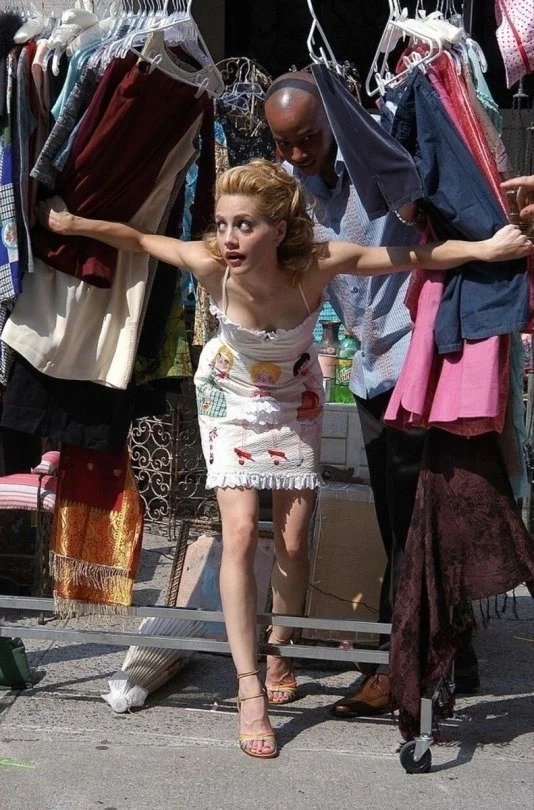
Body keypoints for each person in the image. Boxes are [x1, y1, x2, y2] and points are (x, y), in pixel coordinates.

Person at [37, 159, 531, 759]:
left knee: (295, 542)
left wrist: (486, 247)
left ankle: (280, 650)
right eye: (222, 224)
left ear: (278, 228)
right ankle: (250, 688)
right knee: (242, 534)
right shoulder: (210, 265)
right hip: (229, 397)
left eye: (244, 225)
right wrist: (71, 223)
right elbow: (138, 239)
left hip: (295, 401)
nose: (228, 238)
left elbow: (412, 257)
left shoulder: (317, 264)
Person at [264, 71, 497, 715]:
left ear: (332, 123)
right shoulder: (289, 189)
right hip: (370, 368)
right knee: (401, 521)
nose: (297, 153)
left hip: (420, 359)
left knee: (414, 523)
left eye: (308, 139)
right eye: (284, 143)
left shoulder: (385, 156)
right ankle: (453, 658)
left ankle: (404, 669)